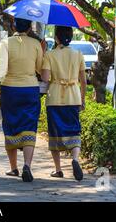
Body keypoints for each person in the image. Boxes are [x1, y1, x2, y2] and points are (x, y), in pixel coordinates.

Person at [0, 18, 45, 182]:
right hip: (30, 89)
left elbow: (2, 67)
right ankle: (27, 165)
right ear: (30, 28)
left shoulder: (6, 42)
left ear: (14, 26)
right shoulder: (36, 44)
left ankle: (13, 167)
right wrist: (42, 51)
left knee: (10, 125)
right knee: (29, 125)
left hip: (10, 90)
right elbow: (41, 70)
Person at [41, 26, 86, 181]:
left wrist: (44, 55)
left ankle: (58, 169)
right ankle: (74, 159)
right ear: (71, 37)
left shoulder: (49, 54)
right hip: (73, 97)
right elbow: (83, 80)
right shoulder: (78, 54)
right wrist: (83, 99)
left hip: (54, 98)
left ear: (57, 37)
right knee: (74, 130)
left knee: (55, 133)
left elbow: (45, 78)